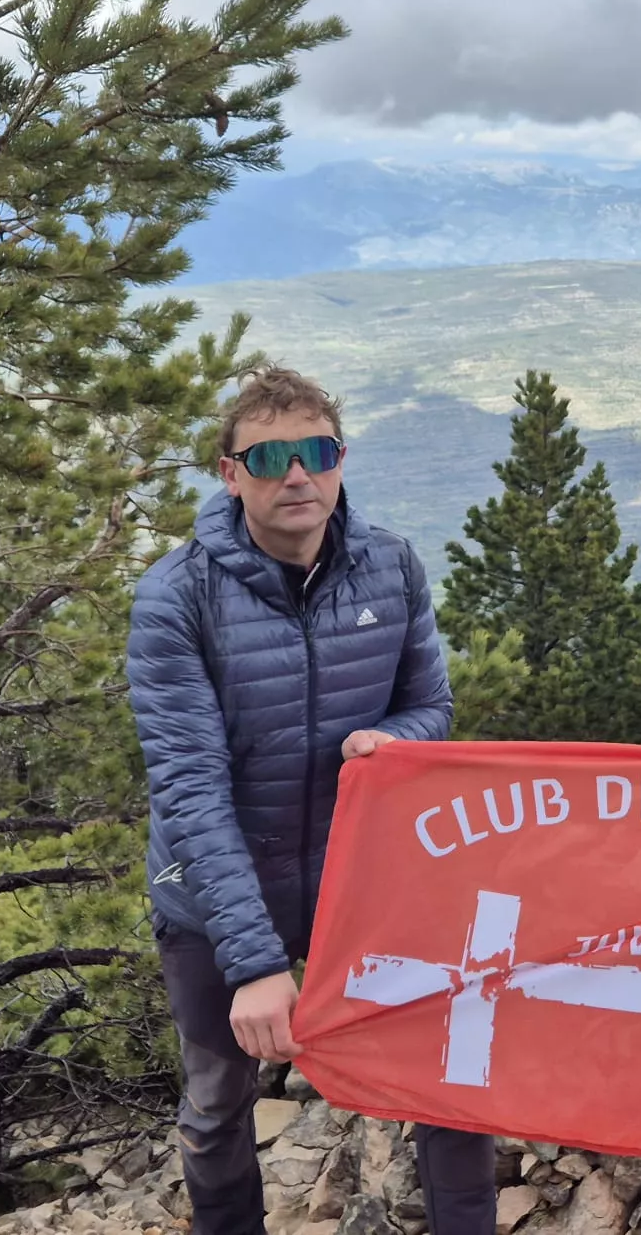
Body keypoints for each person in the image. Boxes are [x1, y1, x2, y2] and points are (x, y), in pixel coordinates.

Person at [127, 367, 497, 1235]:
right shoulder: (175, 596)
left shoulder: (390, 564)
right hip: (216, 891)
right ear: (230, 474)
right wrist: (256, 964)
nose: (297, 474)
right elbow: (189, 785)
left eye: (316, 451)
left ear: (339, 460)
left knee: (449, 1075)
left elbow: (431, 708)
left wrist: (393, 741)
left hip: (363, 882)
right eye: (271, 456)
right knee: (220, 1099)